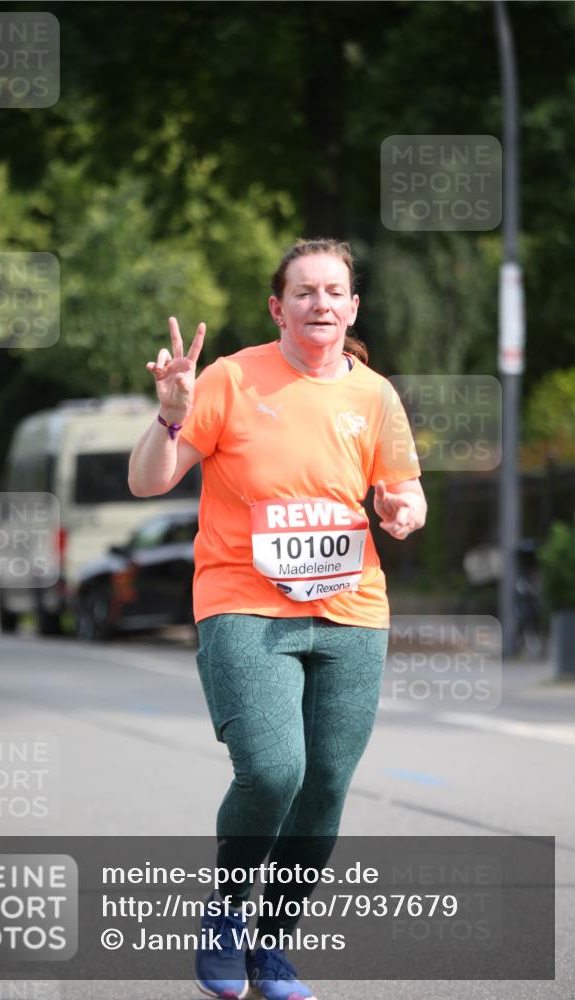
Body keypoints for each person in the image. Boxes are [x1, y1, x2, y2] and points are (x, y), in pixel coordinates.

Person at [128, 238, 426, 1000]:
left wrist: (399, 509)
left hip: (351, 610)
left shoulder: (376, 396)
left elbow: (404, 492)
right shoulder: (230, 380)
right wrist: (168, 416)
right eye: (303, 292)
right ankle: (226, 912)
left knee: (324, 784)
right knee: (272, 770)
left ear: (352, 307)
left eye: (334, 292)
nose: (320, 304)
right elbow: (147, 480)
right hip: (243, 603)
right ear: (277, 307)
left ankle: (275, 949)